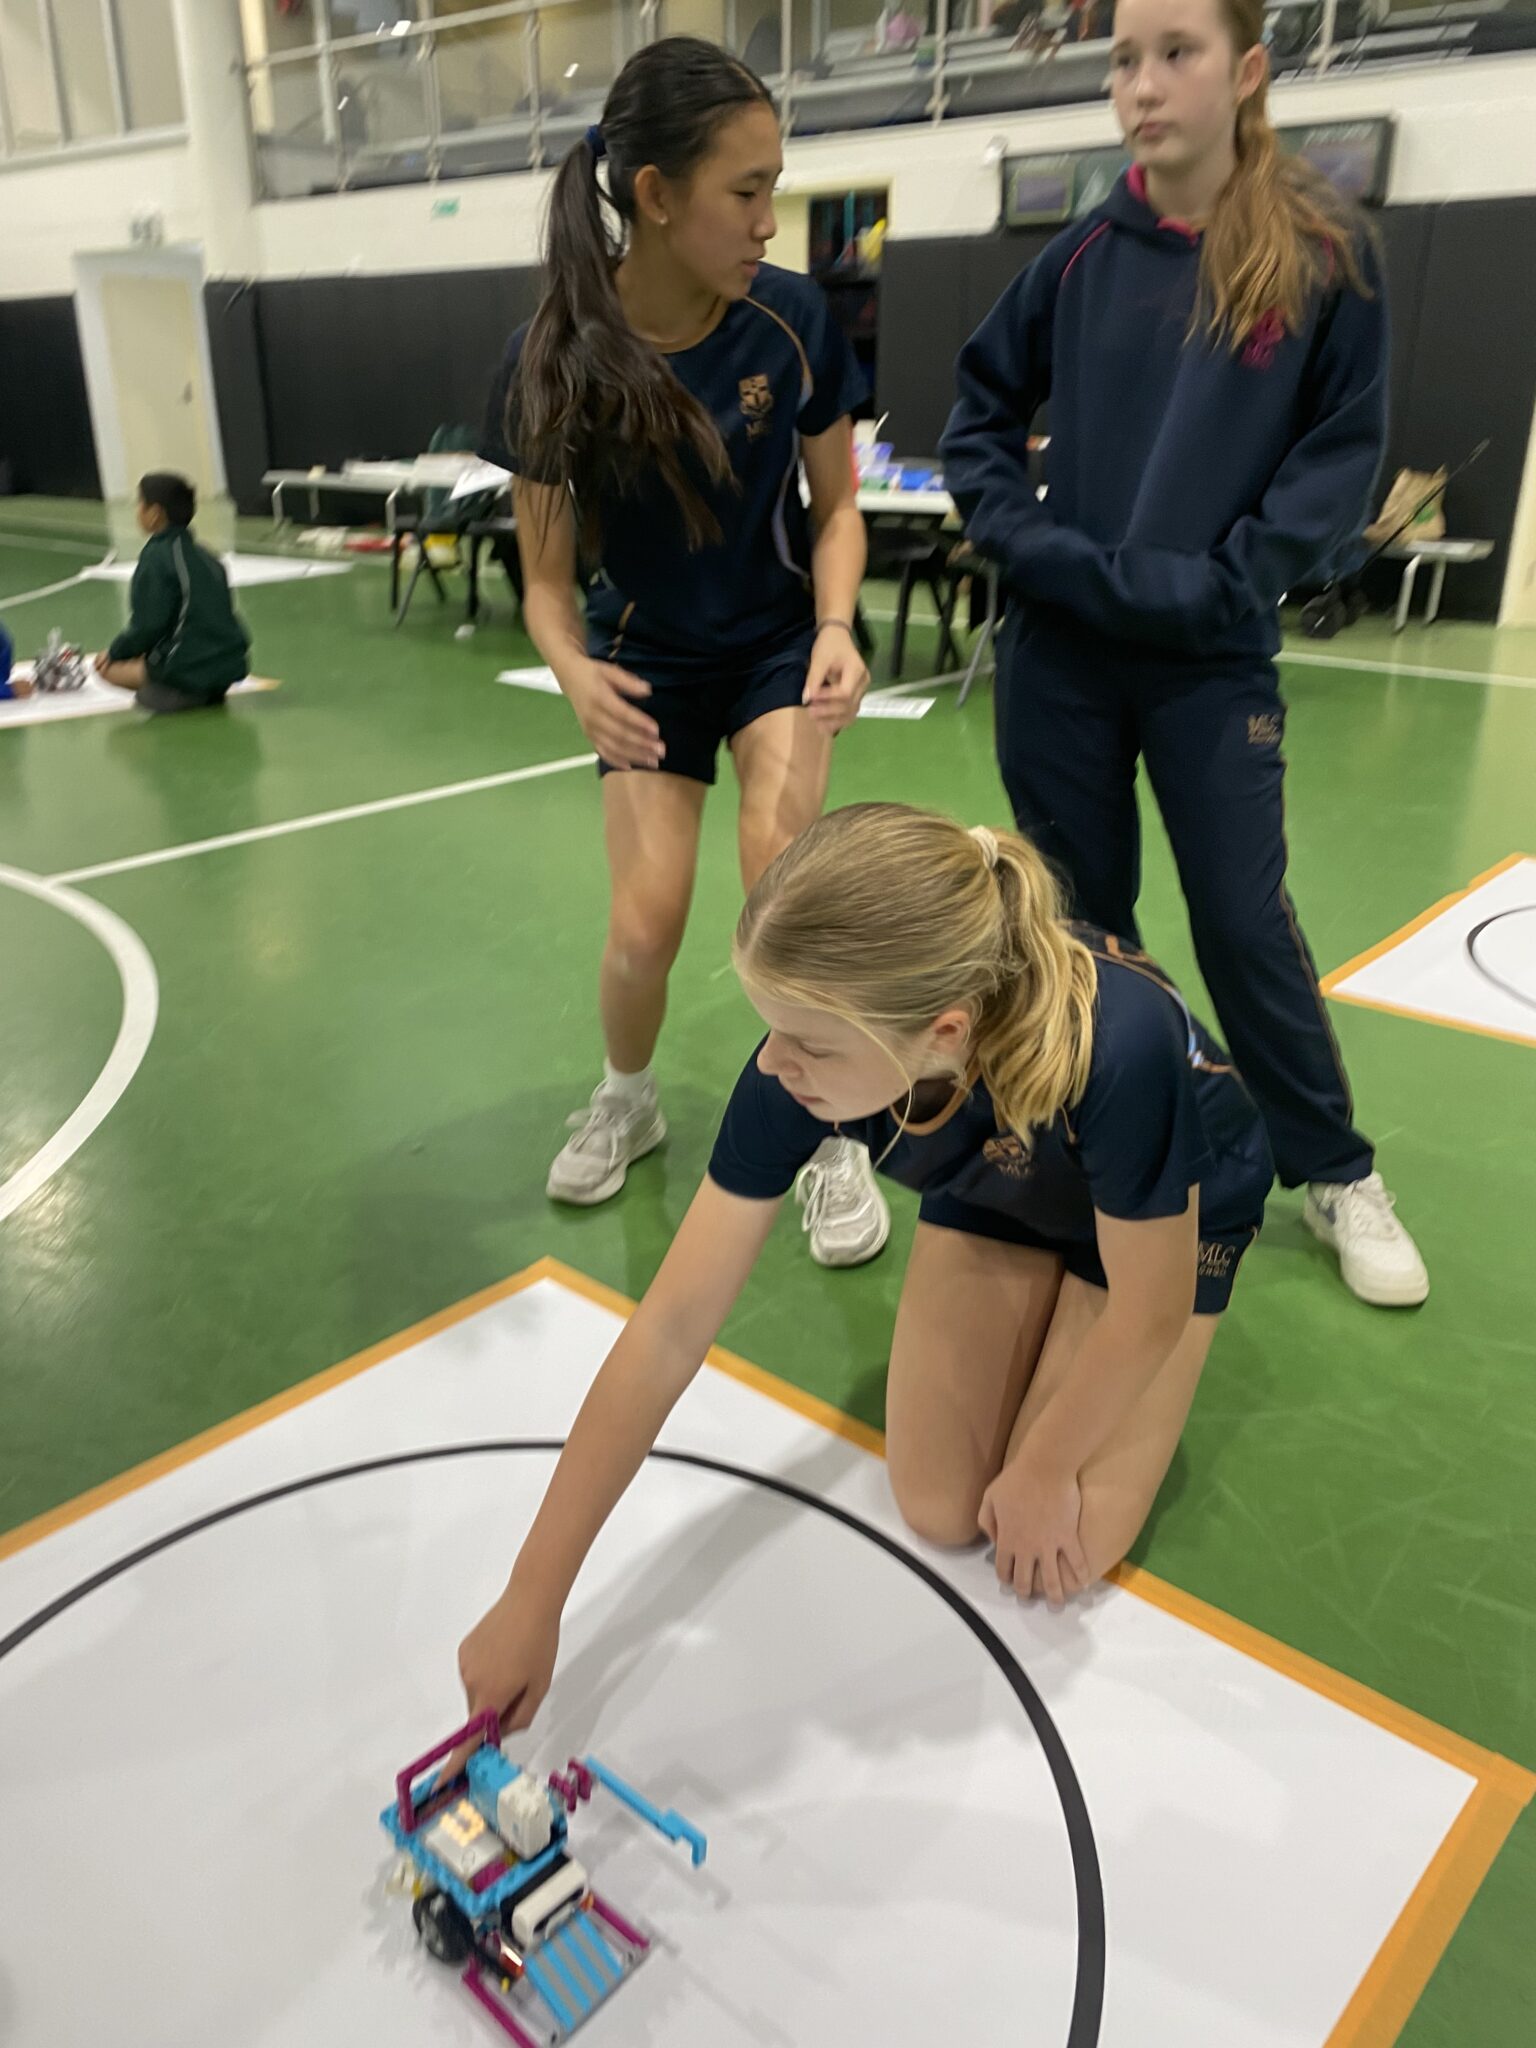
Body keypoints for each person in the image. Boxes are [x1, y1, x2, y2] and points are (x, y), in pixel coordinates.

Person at [455, 803, 1274, 1734]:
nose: (774, 1064)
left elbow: (1151, 1309)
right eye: (772, 1028)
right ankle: (1040, 1307)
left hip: (1166, 1222)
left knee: (1068, 1539)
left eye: (810, 1045)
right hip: (1000, 1187)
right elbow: (671, 1329)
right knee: (938, 1507)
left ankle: (1055, 1331)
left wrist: (1046, 1469)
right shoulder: (804, 1064)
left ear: (945, 1033)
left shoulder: (1119, 1046)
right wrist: (533, 1598)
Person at [938, 0, 1428, 1308]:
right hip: (1061, 653)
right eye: (1122, 59)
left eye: (1176, 54)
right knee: (1078, 920)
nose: (1141, 85)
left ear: (1248, 71)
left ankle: (1334, 1167)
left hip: (1211, 655)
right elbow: (978, 416)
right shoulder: (1080, 257)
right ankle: (1098, 1151)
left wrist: (1233, 577)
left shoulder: (1326, 255)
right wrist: (1026, 542)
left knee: (1243, 920)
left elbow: (1337, 459)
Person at [482, 36, 887, 1268]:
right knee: (644, 926)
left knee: (784, 886)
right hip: (646, 656)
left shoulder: (793, 318)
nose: (771, 219)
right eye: (746, 191)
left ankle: (834, 1133)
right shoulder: (555, 356)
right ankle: (628, 1097)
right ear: (654, 195)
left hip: (776, 645)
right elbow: (544, 583)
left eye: (776, 188)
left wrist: (836, 625)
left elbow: (839, 510)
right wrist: (573, 671)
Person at [94, 473, 250, 714]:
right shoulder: (208, 557)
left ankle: (179, 692)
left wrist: (115, 651)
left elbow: (147, 625)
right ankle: (204, 688)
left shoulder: (156, 556)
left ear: (155, 513)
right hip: (228, 664)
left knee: (107, 669)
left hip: (185, 665)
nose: (137, 511)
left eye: (141, 504)